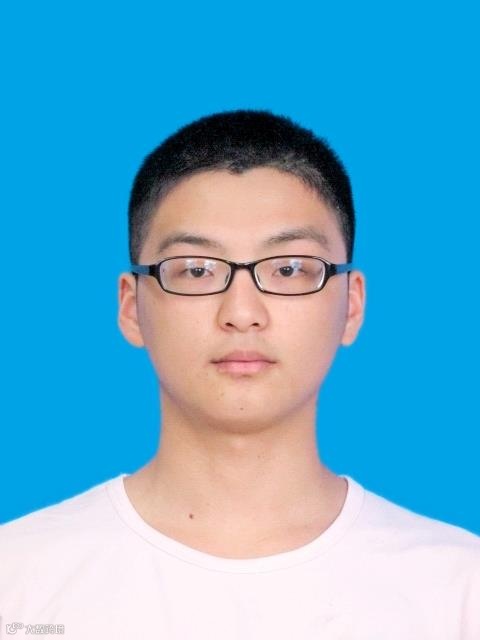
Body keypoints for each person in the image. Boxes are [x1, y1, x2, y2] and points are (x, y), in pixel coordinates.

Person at [0, 110, 479, 640]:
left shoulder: (459, 590)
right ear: (132, 307)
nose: (242, 312)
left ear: (352, 305)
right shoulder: (17, 578)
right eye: (197, 270)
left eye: (289, 268)